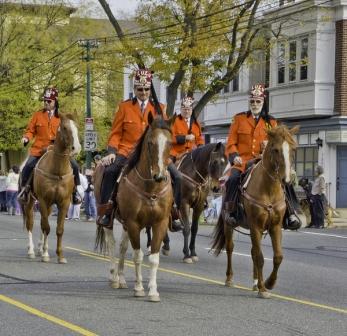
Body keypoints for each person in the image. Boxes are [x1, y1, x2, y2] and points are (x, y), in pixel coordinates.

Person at [223, 83, 300, 230]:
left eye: (258, 101)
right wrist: (234, 157)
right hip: (243, 161)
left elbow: (277, 142)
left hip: (262, 160)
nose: (255, 104)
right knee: (232, 179)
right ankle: (231, 212)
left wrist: (268, 144)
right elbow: (231, 142)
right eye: (252, 101)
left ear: (263, 102)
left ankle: (290, 213)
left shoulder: (271, 122)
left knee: (285, 179)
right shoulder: (239, 119)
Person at [97, 68, 166, 228]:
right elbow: (115, 133)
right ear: (134, 89)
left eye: (146, 89)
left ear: (150, 89)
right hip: (126, 151)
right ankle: (107, 210)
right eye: (140, 89)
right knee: (110, 171)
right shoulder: (124, 107)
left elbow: (165, 133)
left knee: (175, 175)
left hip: (152, 154)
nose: (143, 92)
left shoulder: (159, 109)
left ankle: (173, 212)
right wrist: (112, 152)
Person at [17, 87, 83, 204]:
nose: (46, 103)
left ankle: (75, 191)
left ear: (55, 102)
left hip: (56, 150)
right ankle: (24, 191)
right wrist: (26, 137)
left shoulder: (62, 118)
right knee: (28, 166)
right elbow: (30, 130)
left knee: (75, 166)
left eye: (49, 101)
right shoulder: (37, 115)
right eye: (45, 101)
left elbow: (68, 134)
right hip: (38, 149)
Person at [169, 95, 205, 230]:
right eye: (184, 108)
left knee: (203, 174)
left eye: (189, 109)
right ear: (181, 109)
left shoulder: (196, 123)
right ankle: (171, 198)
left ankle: (203, 199)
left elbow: (200, 140)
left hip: (192, 156)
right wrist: (184, 138)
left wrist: (201, 149)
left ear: (192, 109)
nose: (186, 111)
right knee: (169, 173)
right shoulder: (174, 121)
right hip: (176, 154)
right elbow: (169, 138)